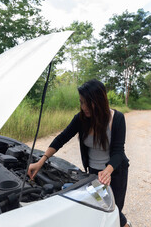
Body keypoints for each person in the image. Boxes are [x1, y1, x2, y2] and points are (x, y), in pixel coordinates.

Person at [28, 79, 130, 227]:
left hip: (115, 172)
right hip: (94, 174)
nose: (84, 107)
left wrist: (107, 171)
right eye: (81, 102)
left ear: (99, 101)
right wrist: (41, 161)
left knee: (115, 212)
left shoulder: (117, 119)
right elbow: (61, 138)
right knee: (99, 209)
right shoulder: (81, 119)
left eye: (88, 103)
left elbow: (118, 152)